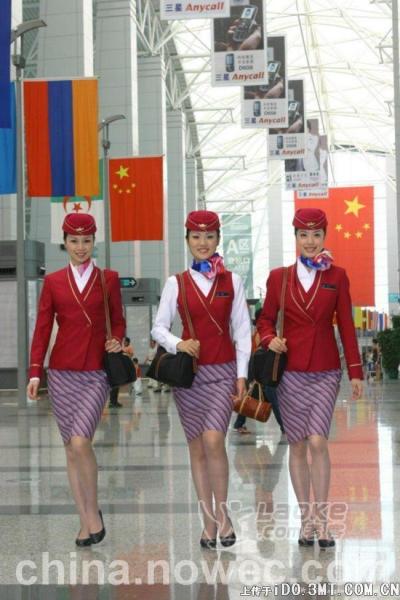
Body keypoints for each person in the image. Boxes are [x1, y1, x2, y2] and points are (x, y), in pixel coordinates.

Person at [257, 208, 363, 549]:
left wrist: (356, 371)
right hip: (289, 371)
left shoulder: (337, 275)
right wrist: (268, 338)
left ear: (325, 236)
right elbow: (265, 319)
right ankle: (306, 520)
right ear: (296, 237)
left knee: (318, 441)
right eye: (304, 234)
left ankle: (322, 517)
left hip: (325, 370)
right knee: (298, 443)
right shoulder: (279, 278)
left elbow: (346, 324)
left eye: (317, 234)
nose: (310, 241)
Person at [151, 210, 251, 549]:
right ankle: (208, 521)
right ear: (187, 241)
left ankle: (223, 514)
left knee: (213, 440)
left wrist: (241, 375)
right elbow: (158, 328)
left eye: (209, 236)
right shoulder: (175, 283)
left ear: (218, 239)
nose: (203, 242)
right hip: (189, 378)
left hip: (222, 373)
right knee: (196, 448)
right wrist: (178, 343)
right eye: (196, 236)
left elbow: (242, 331)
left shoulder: (233, 282)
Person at [27, 214, 126, 548]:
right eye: (74, 241)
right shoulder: (54, 281)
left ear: (94, 242)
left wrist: (117, 339)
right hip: (62, 373)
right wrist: (35, 372)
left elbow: (119, 321)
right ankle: (84, 520)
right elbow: (42, 329)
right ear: (65, 243)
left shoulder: (108, 279)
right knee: (70, 449)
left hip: (96, 372)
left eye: (86, 241)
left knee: (82, 442)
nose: (80, 247)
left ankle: (93, 509)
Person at [109, 337, 134, 407]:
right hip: (115, 369)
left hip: (116, 368)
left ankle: (114, 401)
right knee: (115, 385)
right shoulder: (114, 350)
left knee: (116, 385)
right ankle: (113, 401)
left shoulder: (118, 349)